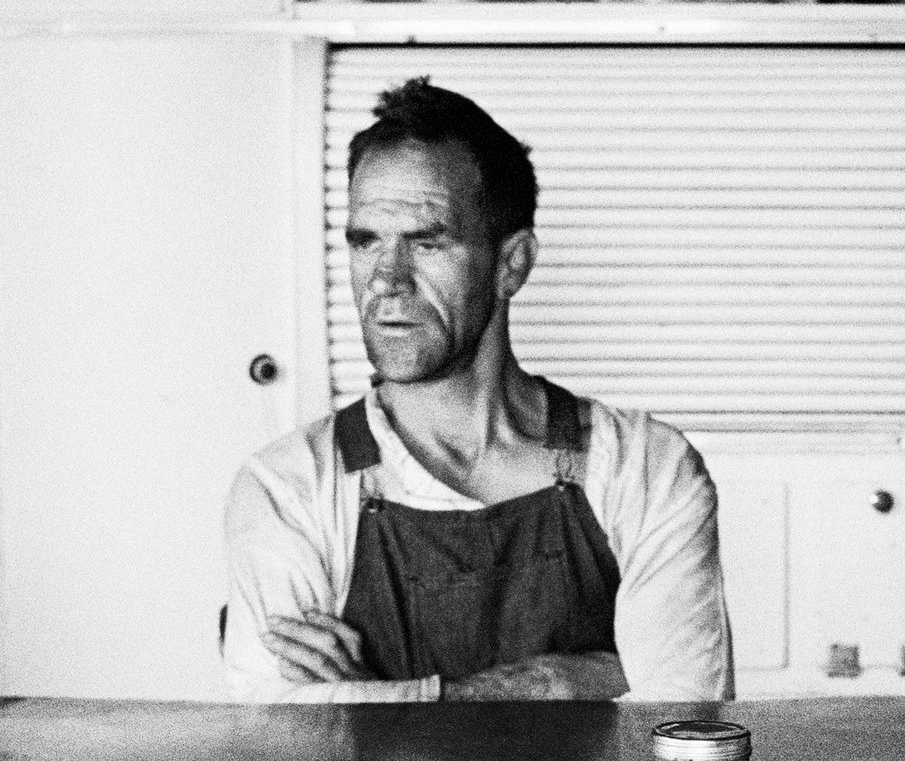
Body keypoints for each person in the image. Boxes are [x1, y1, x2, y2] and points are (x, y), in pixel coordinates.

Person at [224, 78, 731, 702]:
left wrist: (373, 701)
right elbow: (280, 729)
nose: (387, 280)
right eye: (366, 242)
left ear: (511, 263)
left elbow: (685, 717)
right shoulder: (287, 487)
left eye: (427, 243)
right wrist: (566, 679)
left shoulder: (646, 467)